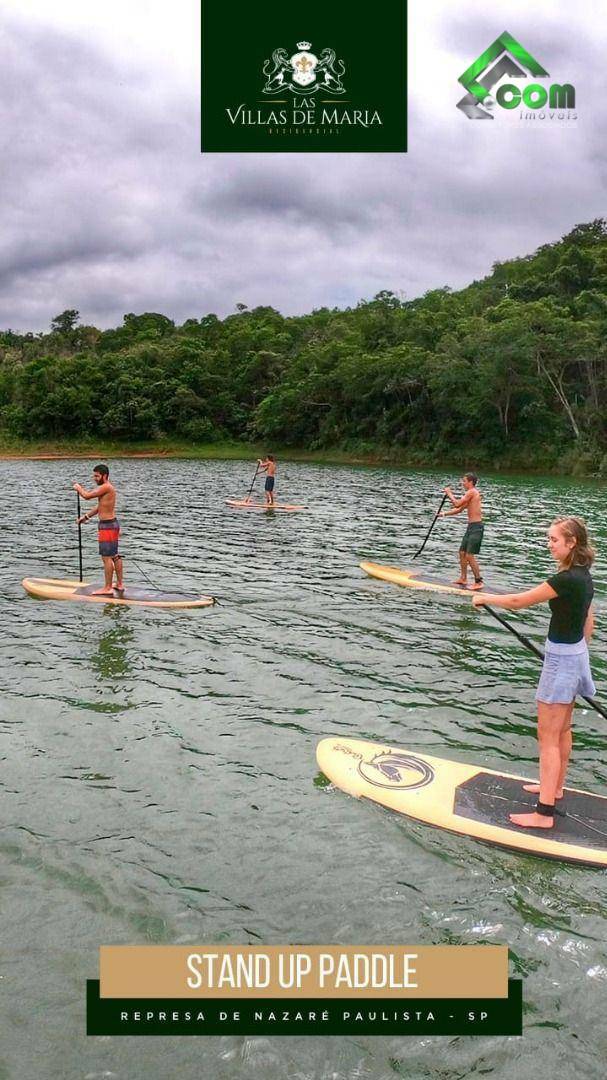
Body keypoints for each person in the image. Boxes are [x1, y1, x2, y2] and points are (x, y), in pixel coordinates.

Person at [472, 516, 596, 830]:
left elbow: (517, 601)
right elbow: (588, 621)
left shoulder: (566, 579)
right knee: (563, 729)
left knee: (548, 737)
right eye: (549, 538)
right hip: (575, 655)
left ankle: (544, 814)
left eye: (554, 539)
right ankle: (554, 787)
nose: (549, 544)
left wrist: (485, 597)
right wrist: (575, 650)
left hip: (562, 662)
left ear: (571, 544)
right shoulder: (583, 576)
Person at [73, 465, 124, 596]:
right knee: (115, 555)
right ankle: (119, 584)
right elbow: (99, 507)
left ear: (105, 476)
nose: (94, 478)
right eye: (94, 475)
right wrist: (85, 517)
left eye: (97, 476)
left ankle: (107, 588)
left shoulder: (106, 487)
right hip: (112, 524)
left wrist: (79, 489)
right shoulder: (106, 489)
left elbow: (86, 496)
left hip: (107, 526)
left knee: (107, 558)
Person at [440, 473, 484, 590]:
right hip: (471, 527)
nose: (462, 483)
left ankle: (479, 582)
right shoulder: (470, 494)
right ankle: (463, 578)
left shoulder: (472, 492)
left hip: (476, 528)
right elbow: (459, 509)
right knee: (462, 552)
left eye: (464, 481)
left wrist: (449, 493)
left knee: (469, 556)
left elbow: (457, 503)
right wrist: (444, 514)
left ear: (470, 482)